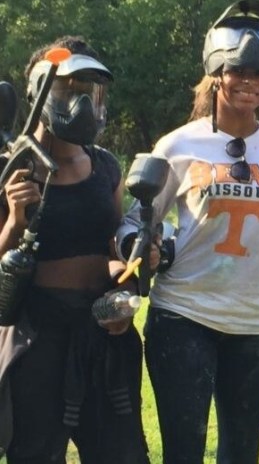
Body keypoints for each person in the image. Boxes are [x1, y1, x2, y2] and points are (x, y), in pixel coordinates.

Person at [115, 0, 259, 464]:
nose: (250, 83)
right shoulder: (179, 144)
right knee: (183, 453)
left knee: (242, 455)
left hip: (256, 325)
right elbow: (137, 221)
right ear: (216, 74)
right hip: (184, 315)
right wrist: (139, 247)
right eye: (238, 71)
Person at [0, 36, 149, 463]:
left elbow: (117, 243)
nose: (82, 105)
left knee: (120, 453)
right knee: (36, 452)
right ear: (39, 92)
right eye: (69, 92)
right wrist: (14, 218)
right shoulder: (10, 166)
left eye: (90, 93)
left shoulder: (105, 166)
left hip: (102, 331)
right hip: (37, 336)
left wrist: (128, 287)